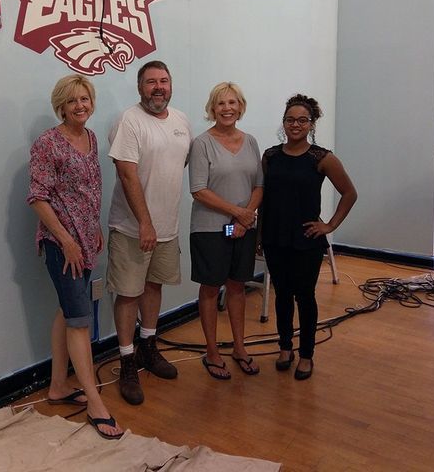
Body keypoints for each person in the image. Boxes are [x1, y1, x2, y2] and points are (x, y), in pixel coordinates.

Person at [27, 74, 123, 440]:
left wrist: (94, 227)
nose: (80, 106)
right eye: (72, 101)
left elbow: (91, 187)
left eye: (85, 99)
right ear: (61, 106)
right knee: (80, 320)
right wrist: (66, 240)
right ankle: (96, 404)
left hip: (85, 240)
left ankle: (58, 386)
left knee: (69, 311)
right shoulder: (47, 144)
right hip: (61, 245)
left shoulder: (91, 137)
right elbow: (38, 196)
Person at [106, 60, 192, 405]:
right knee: (129, 293)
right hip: (133, 228)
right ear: (140, 87)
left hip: (167, 228)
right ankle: (127, 361)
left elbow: (176, 166)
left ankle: (148, 348)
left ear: (171, 85)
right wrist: (144, 222)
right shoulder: (129, 121)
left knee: (153, 286)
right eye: (151, 82)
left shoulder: (182, 121)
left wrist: (159, 224)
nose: (159, 87)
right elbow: (127, 174)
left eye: (164, 81)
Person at [259, 94, 357, 380]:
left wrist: (330, 225)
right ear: (284, 123)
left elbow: (350, 193)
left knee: (305, 296)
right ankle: (285, 348)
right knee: (282, 295)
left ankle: (306, 355)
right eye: (290, 120)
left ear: (311, 124)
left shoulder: (322, 158)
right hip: (276, 237)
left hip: (306, 239)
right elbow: (265, 198)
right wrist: (260, 236)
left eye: (302, 120)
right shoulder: (271, 156)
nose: (295, 125)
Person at [189, 82, 264, 380]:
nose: (227, 108)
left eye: (233, 103)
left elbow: (259, 185)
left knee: (237, 286)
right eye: (221, 103)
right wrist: (239, 214)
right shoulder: (202, 143)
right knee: (210, 289)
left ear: (241, 107)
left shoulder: (251, 142)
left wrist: (246, 220)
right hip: (209, 229)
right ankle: (212, 351)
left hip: (244, 229)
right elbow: (198, 190)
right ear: (212, 108)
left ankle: (240, 348)